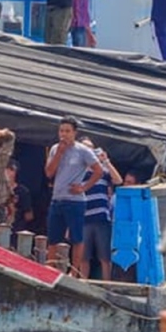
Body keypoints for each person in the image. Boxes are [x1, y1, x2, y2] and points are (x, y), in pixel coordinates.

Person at [45, 116, 104, 277]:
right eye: (61, 131)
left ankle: (74, 270)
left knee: (76, 237)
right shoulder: (54, 149)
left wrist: (84, 186)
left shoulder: (83, 151)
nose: (64, 134)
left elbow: (99, 171)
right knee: (53, 238)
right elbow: (49, 172)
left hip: (75, 201)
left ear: (74, 133)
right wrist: (59, 153)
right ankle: (51, 268)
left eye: (68, 131)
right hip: (57, 199)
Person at [81, 139, 123, 281]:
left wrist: (106, 162)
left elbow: (118, 181)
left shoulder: (102, 171)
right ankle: (83, 283)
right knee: (83, 257)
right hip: (83, 220)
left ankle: (107, 284)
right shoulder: (77, 172)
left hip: (101, 219)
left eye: (91, 149)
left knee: (105, 257)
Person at [6, 162, 35, 235]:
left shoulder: (23, 191)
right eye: (6, 169)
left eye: (11, 170)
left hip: (16, 229)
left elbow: (29, 215)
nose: (7, 172)